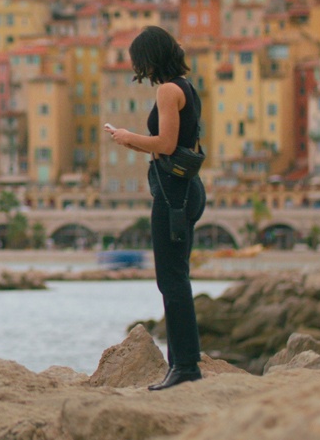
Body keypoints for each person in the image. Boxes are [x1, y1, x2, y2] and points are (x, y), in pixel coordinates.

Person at [104, 25, 207, 390]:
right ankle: (181, 364)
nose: (140, 70)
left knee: (172, 280)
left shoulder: (167, 91)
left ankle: (186, 367)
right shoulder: (186, 87)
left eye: (140, 62)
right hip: (187, 189)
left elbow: (165, 144)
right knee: (176, 278)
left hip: (173, 195)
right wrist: (128, 142)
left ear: (151, 58)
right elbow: (173, 145)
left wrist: (129, 135)